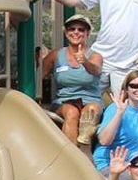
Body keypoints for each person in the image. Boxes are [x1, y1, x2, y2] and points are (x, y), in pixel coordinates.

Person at [42, 15, 101, 143]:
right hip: (64, 101)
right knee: (72, 112)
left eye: (81, 29)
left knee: (91, 112)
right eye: (72, 29)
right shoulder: (55, 55)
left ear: (87, 33)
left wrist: (85, 62)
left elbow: (96, 70)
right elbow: (38, 77)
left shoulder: (95, 56)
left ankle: (84, 145)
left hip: (90, 101)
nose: (76, 32)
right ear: (66, 32)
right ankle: (72, 156)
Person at [90, 70, 138, 168]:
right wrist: (119, 113)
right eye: (134, 86)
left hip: (135, 166)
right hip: (109, 165)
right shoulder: (115, 108)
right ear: (126, 89)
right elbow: (104, 141)